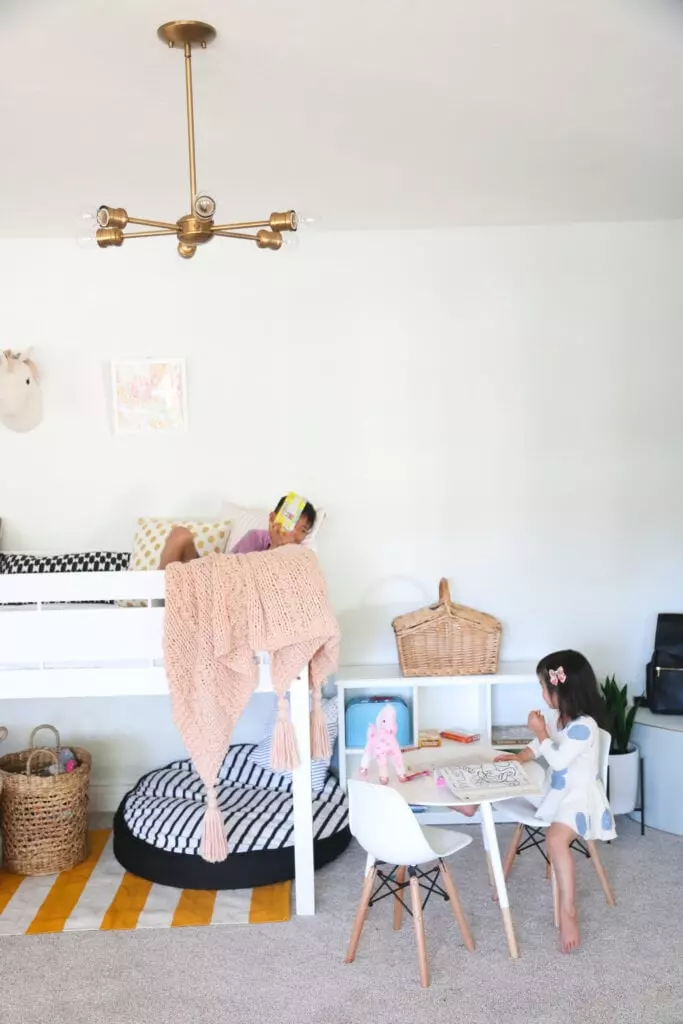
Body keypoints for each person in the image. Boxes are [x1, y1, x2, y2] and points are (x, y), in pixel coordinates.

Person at [494, 649, 616, 953]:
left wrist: (541, 732)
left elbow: (559, 760)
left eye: (542, 686)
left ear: (559, 689)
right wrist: (519, 757)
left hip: (577, 797)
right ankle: (475, 799)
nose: (541, 692)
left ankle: (568, 909)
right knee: (516, 776)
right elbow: (541, 746)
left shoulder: (585, 726)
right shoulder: (561, 719)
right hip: (556, 790)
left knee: (555, 839)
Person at [159, 497, 317, 568]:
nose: (294, 535)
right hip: (214, 575)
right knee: (180, 535)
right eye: (292, 524)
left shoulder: (301, 556)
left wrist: (277, 546)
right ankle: (154, 599)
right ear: (272, 519)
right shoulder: (257, 537)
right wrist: (274, 542)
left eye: (302, 530)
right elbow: (233, 569)